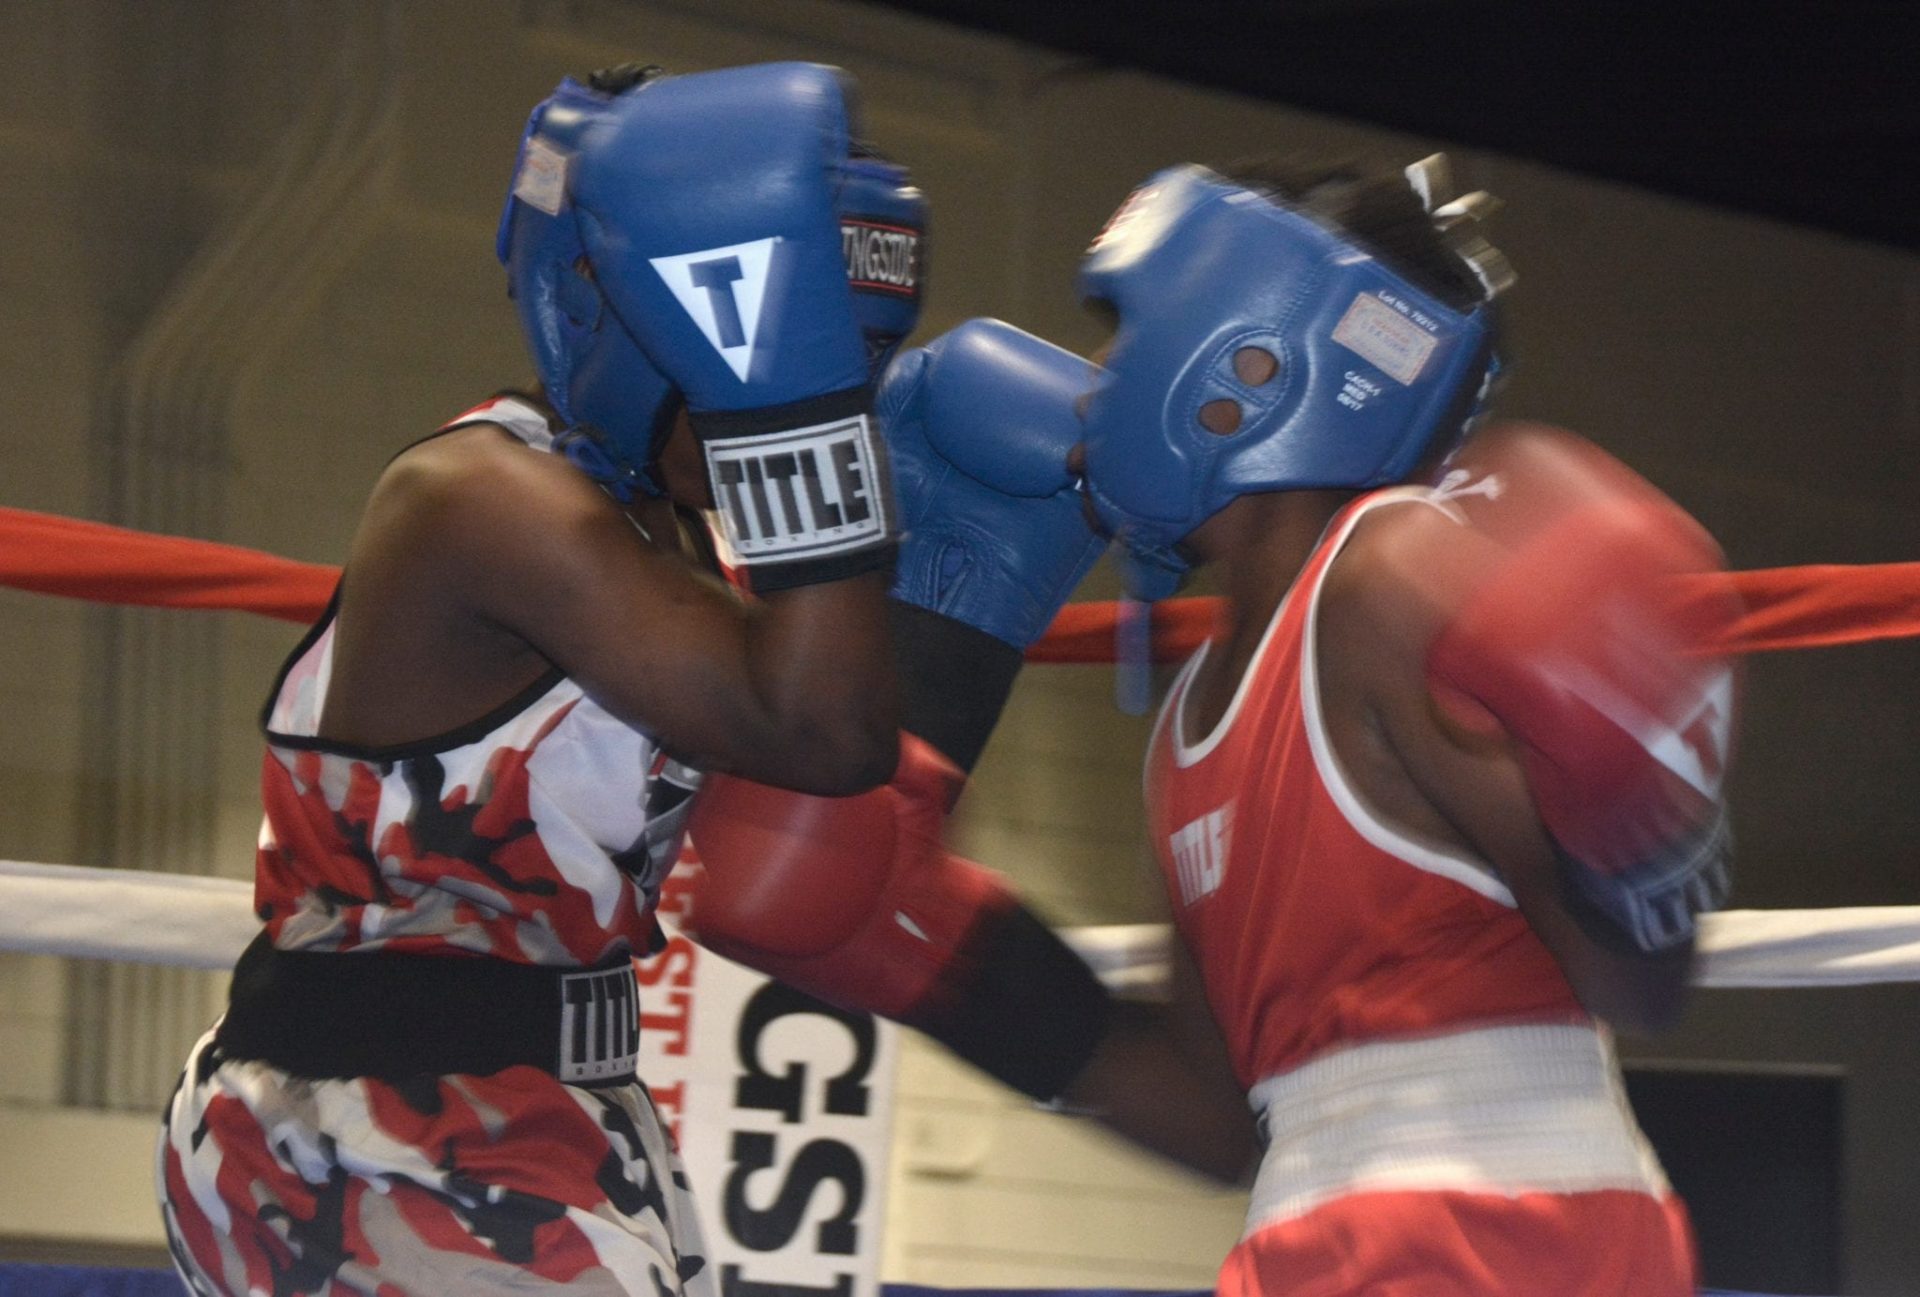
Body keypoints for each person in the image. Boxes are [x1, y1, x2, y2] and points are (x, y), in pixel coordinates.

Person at [157, 60, 927, 1296]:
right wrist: (793, 403)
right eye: (768, 333)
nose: (764, 389)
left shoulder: (673, 538)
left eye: (847, 350)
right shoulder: (481, 500)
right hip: (376, 1133)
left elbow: (863, 774)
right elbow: (819, 730)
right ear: (616, 306)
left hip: (556, 1110)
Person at [1060, 157, 1741, 1294]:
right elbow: (1220, 1115)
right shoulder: (1192, 708)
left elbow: (1640, 987)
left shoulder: (1390, 581)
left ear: (1246, 354)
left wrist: (1650, 822)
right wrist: (935, 959)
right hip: (1314, 1235)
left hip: (1503, 1228)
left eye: (1127, 333)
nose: (1094, 379)